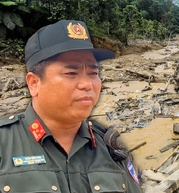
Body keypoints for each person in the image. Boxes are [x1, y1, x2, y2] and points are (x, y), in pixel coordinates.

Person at [0, 20, 142, 193]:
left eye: (93, 73)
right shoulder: (4, 144)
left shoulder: (111, 147)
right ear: (34, 83)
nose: (87, 84)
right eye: (71, 73)